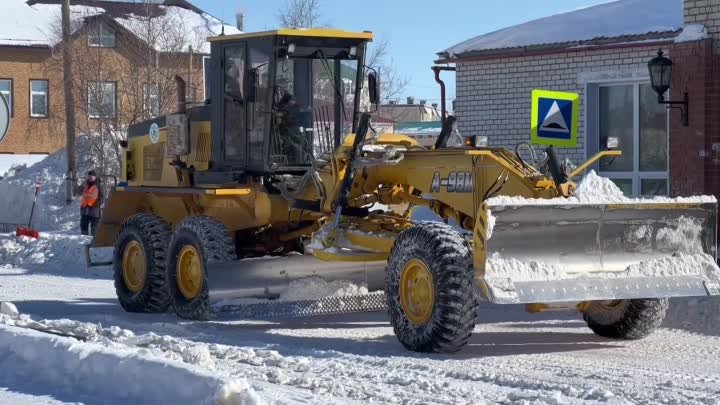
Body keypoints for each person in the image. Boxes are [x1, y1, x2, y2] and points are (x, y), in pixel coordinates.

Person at [78, 170, 103, 236]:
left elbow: (102, 196)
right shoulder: (85, 184)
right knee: (83, 225)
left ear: (95, 177)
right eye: (89, 176)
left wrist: (97, 203)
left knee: (94, 227)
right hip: (85, 209)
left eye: (91, 176)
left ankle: (93, 241)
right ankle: (83, 239)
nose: (90, 177)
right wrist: (81, 186)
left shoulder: (99, 185)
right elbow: (78, 192)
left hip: (94, 209)